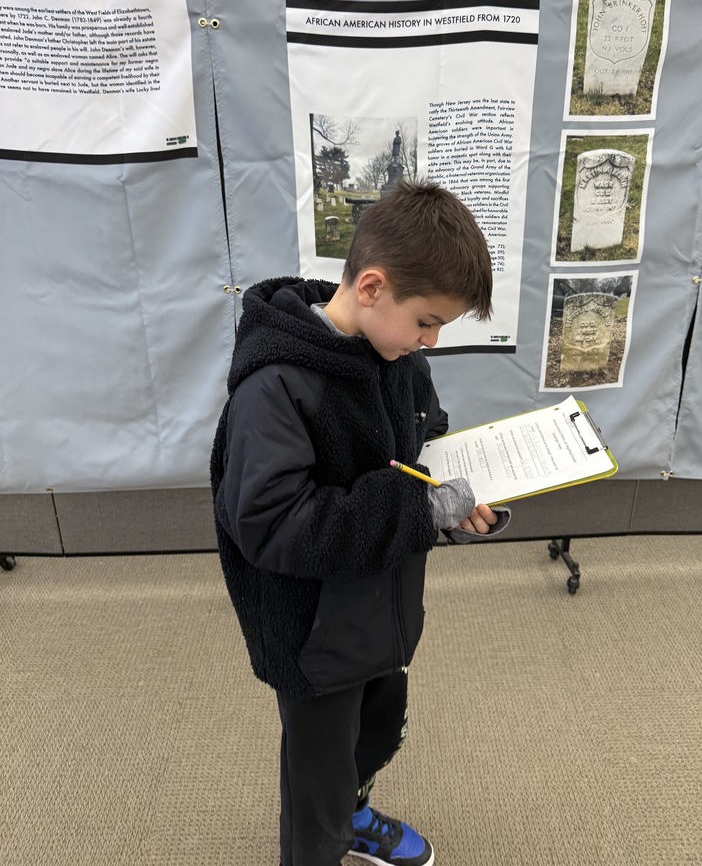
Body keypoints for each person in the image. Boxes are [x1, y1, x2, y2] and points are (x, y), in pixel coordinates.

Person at [210, 179, 509, 866]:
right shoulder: (274, 387)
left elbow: (421, 448)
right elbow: (274, 526)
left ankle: (356, 814)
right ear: (372, 287)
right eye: (427, 321)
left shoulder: (396, 354)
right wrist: (419, 509)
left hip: (384, 607)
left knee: (377, 734)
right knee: (317, 783)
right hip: (315, 634)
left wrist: (459, 506)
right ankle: (322, 842)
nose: (430, 340)